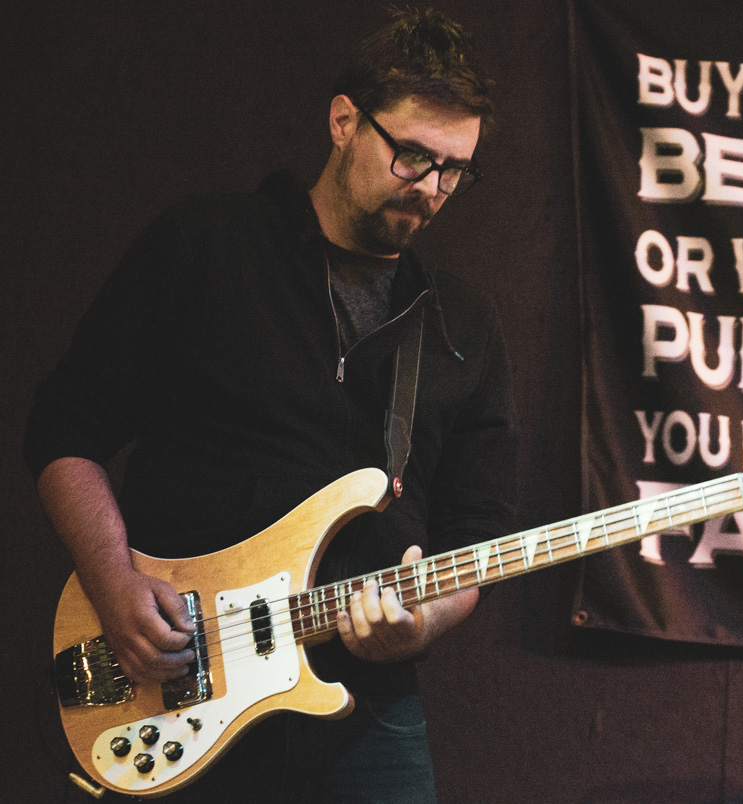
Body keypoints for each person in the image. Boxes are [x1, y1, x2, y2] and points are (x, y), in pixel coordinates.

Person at [24, 9, 516, 802]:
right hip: (174, 684)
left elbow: (477, 529)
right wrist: (112, 583)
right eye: (414, 156)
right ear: (345, 120)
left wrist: (421, 624)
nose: (431, 188)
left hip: (365, 712)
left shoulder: (463, 323)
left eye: (455, 169)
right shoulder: (205, 246)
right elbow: (64, 430)